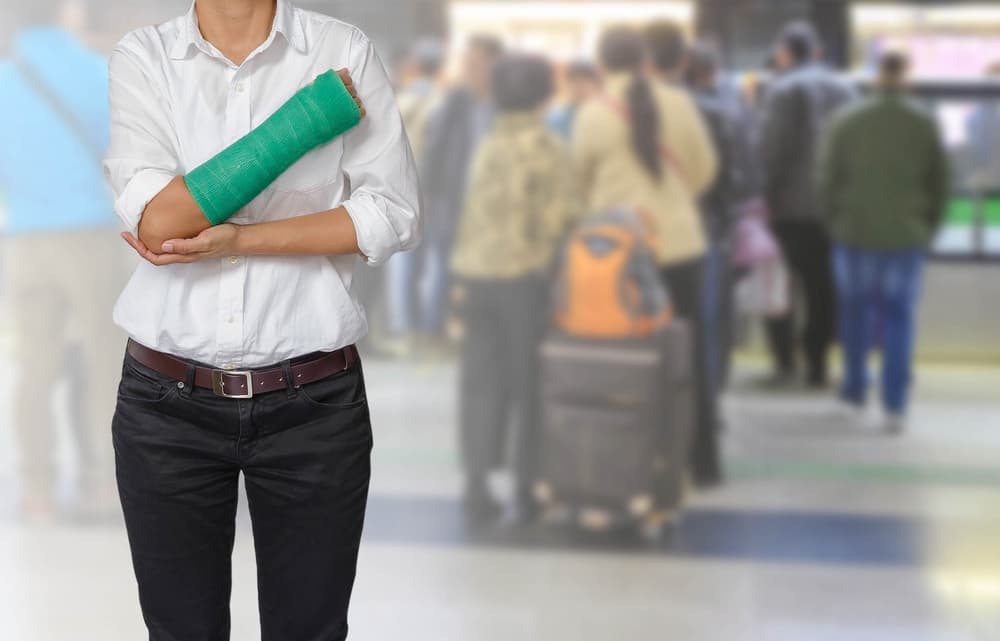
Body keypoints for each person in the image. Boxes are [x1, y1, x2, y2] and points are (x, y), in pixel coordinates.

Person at [103, 1, 420, 639]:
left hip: (313, 403)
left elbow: (392, 213)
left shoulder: (342, 47)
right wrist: (309, 120)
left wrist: (240, 240)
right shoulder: (145, 57)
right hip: (166, 405)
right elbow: (161, 223)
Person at [574, 26, 721, 486]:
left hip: (618, 258)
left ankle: (629, 459)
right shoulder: (679, 103)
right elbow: (704, 170)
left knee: (622, 362)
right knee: (689, 358)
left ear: (602, 64)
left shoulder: (593, 113)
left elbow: (579, 185)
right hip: (680, 248)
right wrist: (670, 207)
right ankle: (702, 462)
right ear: (644, 61)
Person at [0, 0, 124, 521]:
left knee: (35, 366)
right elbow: (118, 153)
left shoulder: (4, 79)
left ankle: (38, 491)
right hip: (89, 235)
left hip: (23, 240)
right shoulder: (93, 72)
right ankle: (100, 482)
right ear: (63, 13)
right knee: (104, 362)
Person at [451, 52, 576, 522]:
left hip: (476, 277)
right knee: (530, 386)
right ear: (544, 94)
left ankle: (477, 485)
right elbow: (559, 217)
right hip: (524, 280)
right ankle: (528, 486)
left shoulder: (489, 141)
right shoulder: (548, 145)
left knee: (480, 385)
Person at [819, 52, 948, 433]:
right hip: (906, 237)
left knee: (854, 313)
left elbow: (825, 180)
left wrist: (834, 224)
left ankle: (854, 391)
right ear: (907, 78)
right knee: (899, 316)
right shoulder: (924, 123)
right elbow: (940, 184)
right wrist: (928, 227)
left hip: (855, 233)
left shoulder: (845, 120)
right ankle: (894, 404)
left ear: (874, 79)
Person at [760, 20, 858, 388]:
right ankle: (817, 366)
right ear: (816, 51)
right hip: (833, 209)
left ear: (785, 54)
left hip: (786, 209)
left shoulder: (779, 89)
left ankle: (784, 363)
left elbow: (770, 151)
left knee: (780, 287)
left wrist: (761, 195)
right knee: (823, 289)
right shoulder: (846, 89)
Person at [417, 34, 504, 347]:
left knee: (482, 269)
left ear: (496, 64)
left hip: (490, 205)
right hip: (454, 198)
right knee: (444, 265)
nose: (471, 70)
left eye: (478, 63)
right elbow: (436, 147)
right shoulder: (457, 101)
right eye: (468, 63)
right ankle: (435, 330)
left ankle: (477, 331)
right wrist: (428, 192)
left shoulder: (504, 103)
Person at [684, 40, 757, 395]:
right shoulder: (735, 108)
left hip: (681, 231)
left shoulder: (676, 108)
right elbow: (744, 179)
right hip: (718, 228)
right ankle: (710, 396)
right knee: (714, 318)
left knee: (687, 317)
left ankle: (685, 397)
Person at [384, 38, 445, 354]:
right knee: (432, 260)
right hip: (430, 188)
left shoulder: (404, 100)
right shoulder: (440, 102)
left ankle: (403, 328)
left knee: (403, 259)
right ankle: (427, 327)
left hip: (401, 185)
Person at [547, 59, 601, 139]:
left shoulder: (602, 114)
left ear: (596, 85)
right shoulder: (556, 117)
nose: (579, 87)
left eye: (585, 82)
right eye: (574, 81)